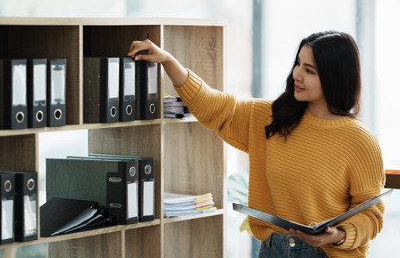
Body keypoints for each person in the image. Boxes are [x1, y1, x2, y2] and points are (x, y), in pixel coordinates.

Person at [128, 31, 385, 258]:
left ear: (334, 78)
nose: (297, 74)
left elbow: (372, 216)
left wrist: (337, 234)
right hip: (273, 249)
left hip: (329, 254)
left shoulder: (360, 141)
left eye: (310, 71)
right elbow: (211, 106)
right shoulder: (270, 117)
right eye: (298, 64)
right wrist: (168, 61)